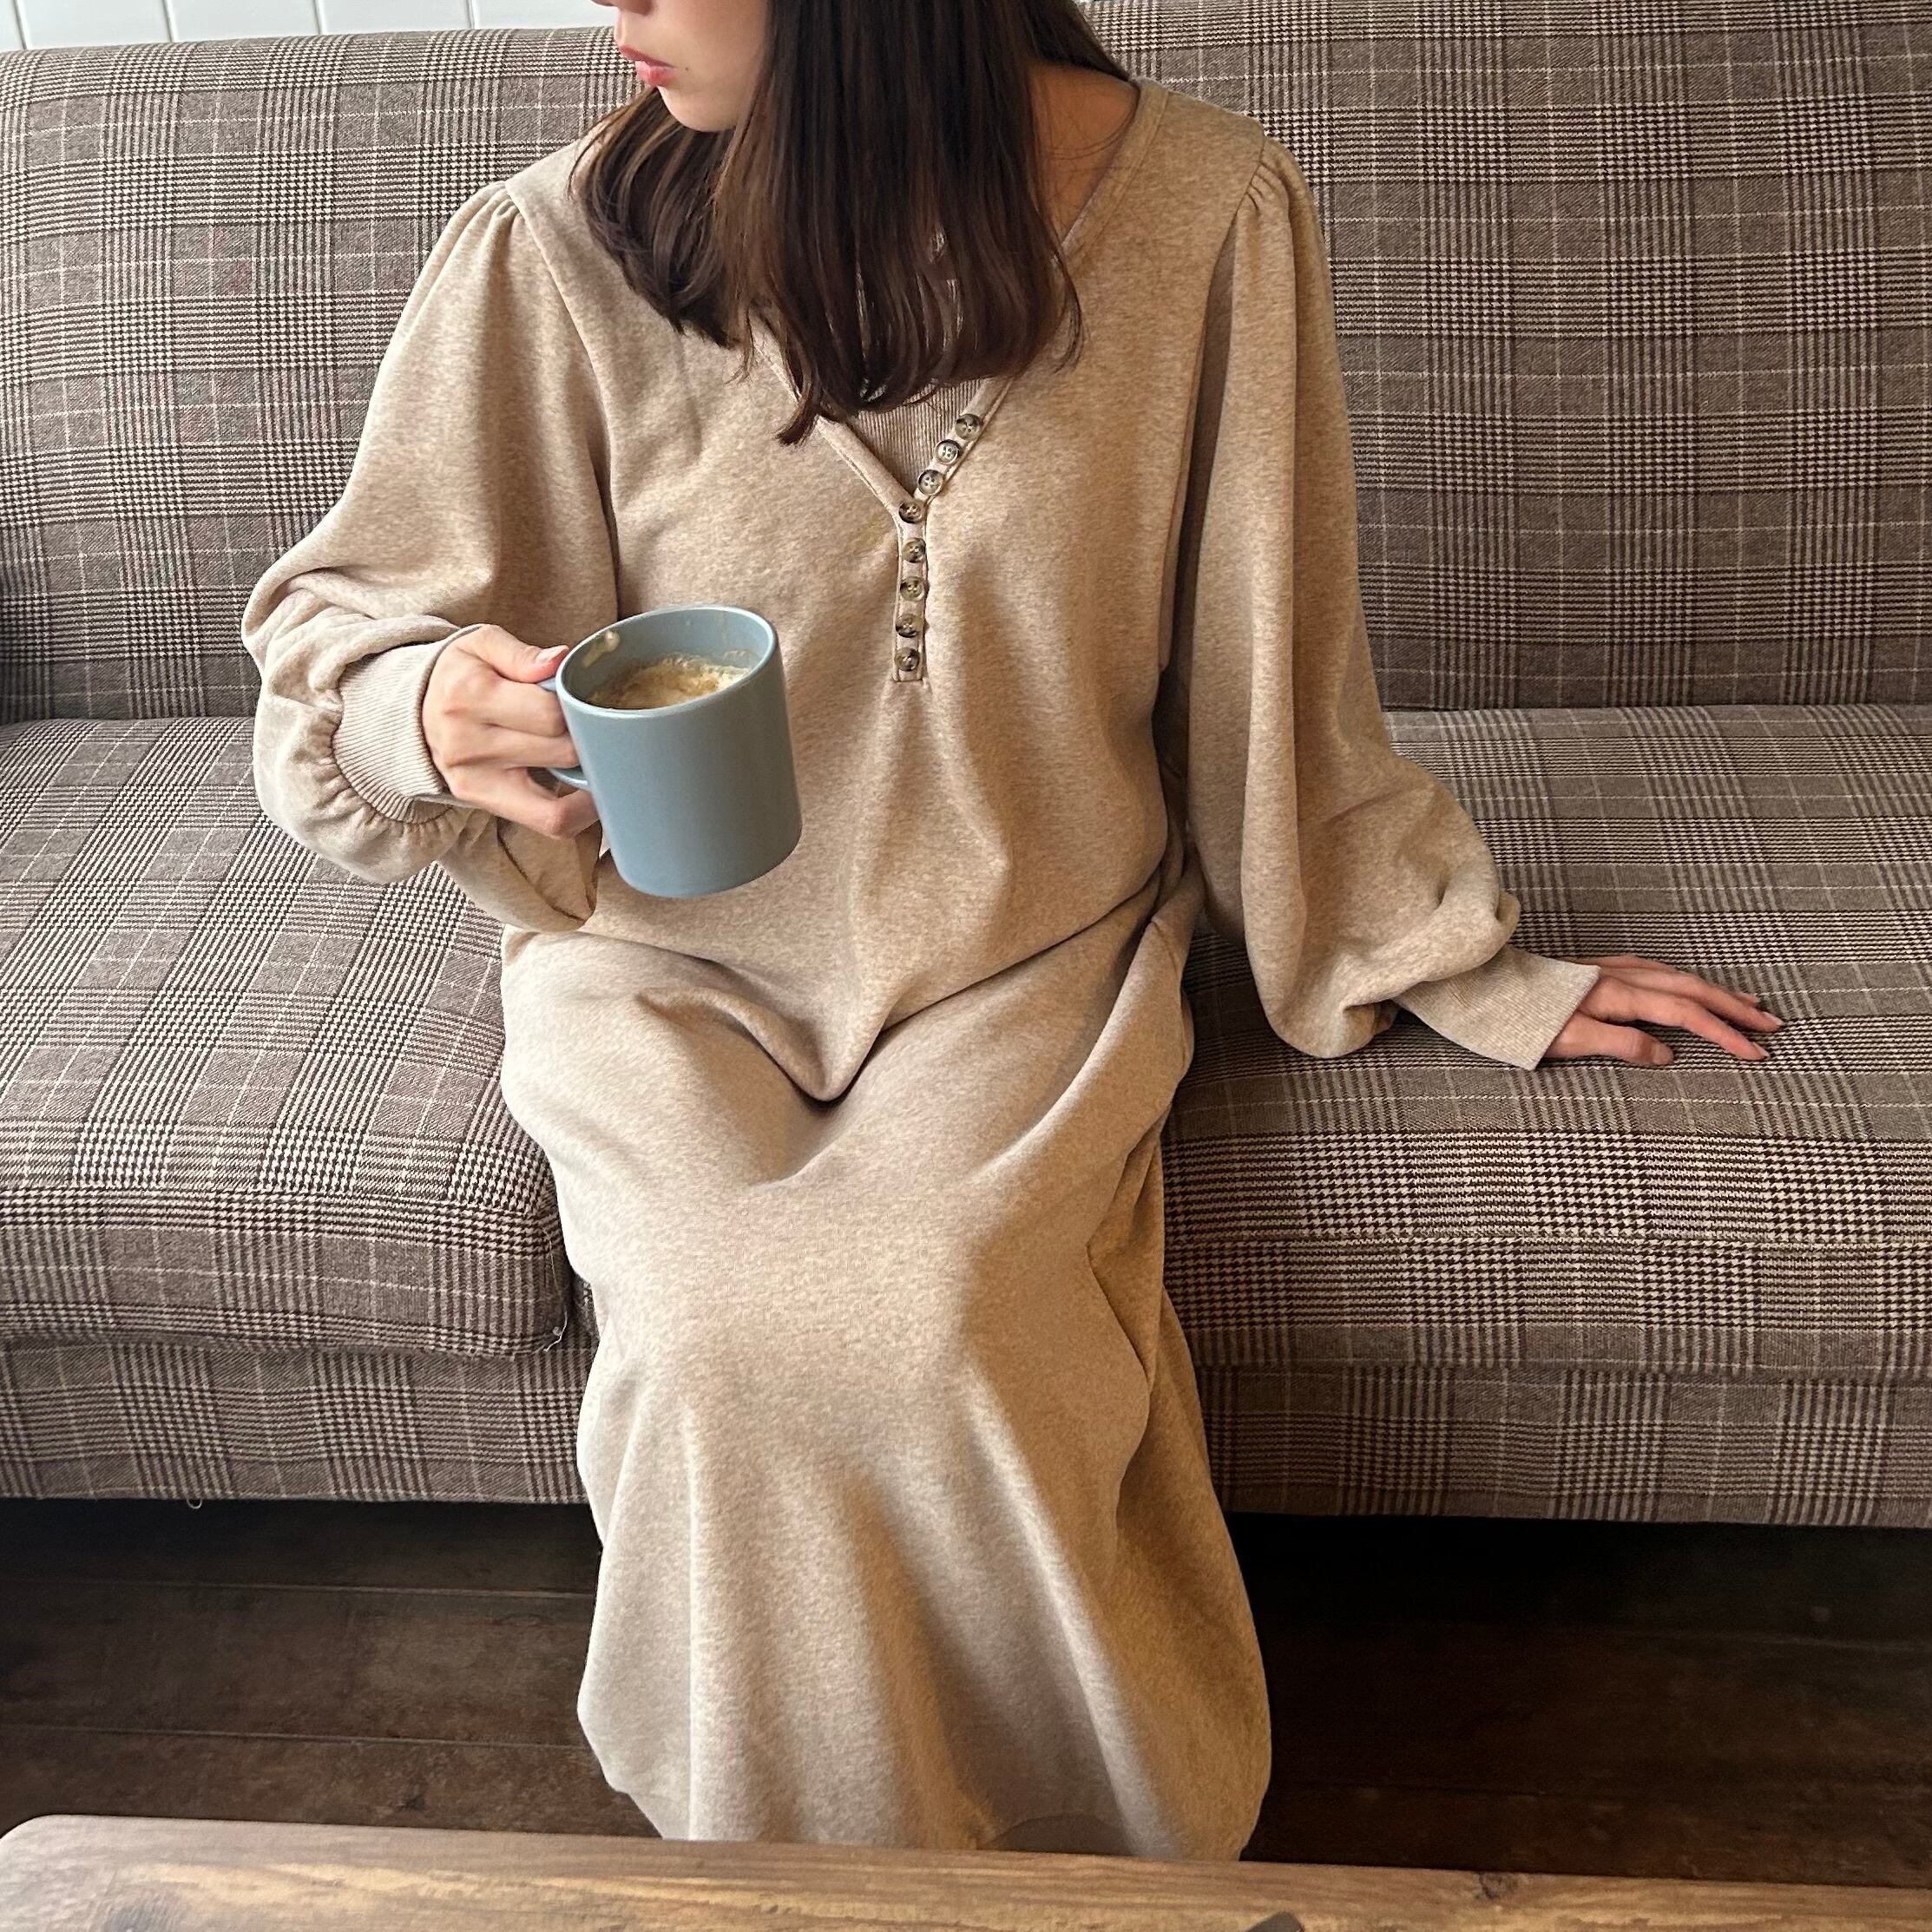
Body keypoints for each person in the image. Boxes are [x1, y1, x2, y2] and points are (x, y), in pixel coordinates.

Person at [240, 0, 1783, 1861]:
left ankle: (1078, 1868)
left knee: (937, 1317)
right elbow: (345, 619)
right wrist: (418, 710)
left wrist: (1444, 952)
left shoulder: (1208, 212)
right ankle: (799, 1894)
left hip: (1024, 949)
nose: (613, 7)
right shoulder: (557, 247)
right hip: (662, 964)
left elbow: (1273, 656)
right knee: (717, 1344)